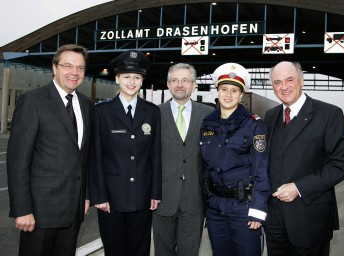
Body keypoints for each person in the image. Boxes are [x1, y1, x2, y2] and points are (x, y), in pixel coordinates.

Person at [7, 44, 93, 256]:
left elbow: (85, 156)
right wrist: (22, 209)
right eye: (68, 66)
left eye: (80, 68)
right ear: (54, 68)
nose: (74, 72)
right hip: (39, 213)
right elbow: (18, 160)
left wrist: (86, 195)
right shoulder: (32, 101)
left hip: (73, 209)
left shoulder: (86, 104)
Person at [264, 61, 344, 256]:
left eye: (289, 80)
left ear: (302, 80)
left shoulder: (329, 114)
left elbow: (342, 164)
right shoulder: (270, 117)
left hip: (310, 219)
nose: (284, 87)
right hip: (274, 221)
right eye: (277, 82)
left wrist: (299, 187)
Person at [88, 50, 162, 256]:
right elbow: (95, 157)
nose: (132, 82)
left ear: (142, 80)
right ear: (117, 78)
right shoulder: (101, 112)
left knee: (140, 250)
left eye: (137, 77)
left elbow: (155, 156)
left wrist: (155, 192)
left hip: (142, 196)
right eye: (127, 76)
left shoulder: (152, 112)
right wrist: (99, 195)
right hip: (111, 198)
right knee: (114, 249)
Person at [200, 63, 271, 256]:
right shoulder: (208, 124)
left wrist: (258, 209)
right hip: (215, 210)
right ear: (217, 91)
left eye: (234, 90)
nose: (228, 94)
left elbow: (261, 169)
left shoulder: (254, 126)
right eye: (224, 89)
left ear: (241, 95)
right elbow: (205, 168)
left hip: (244, 210)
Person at [152, 63, 213, 256]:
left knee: (189, 251)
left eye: (185, 80)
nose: (180, 84)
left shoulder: (208, 114)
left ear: (194, 85)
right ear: (168, 84)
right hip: (162, 198)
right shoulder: (154, 113)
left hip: (194, 198)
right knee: (163, 251)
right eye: (175, 80)